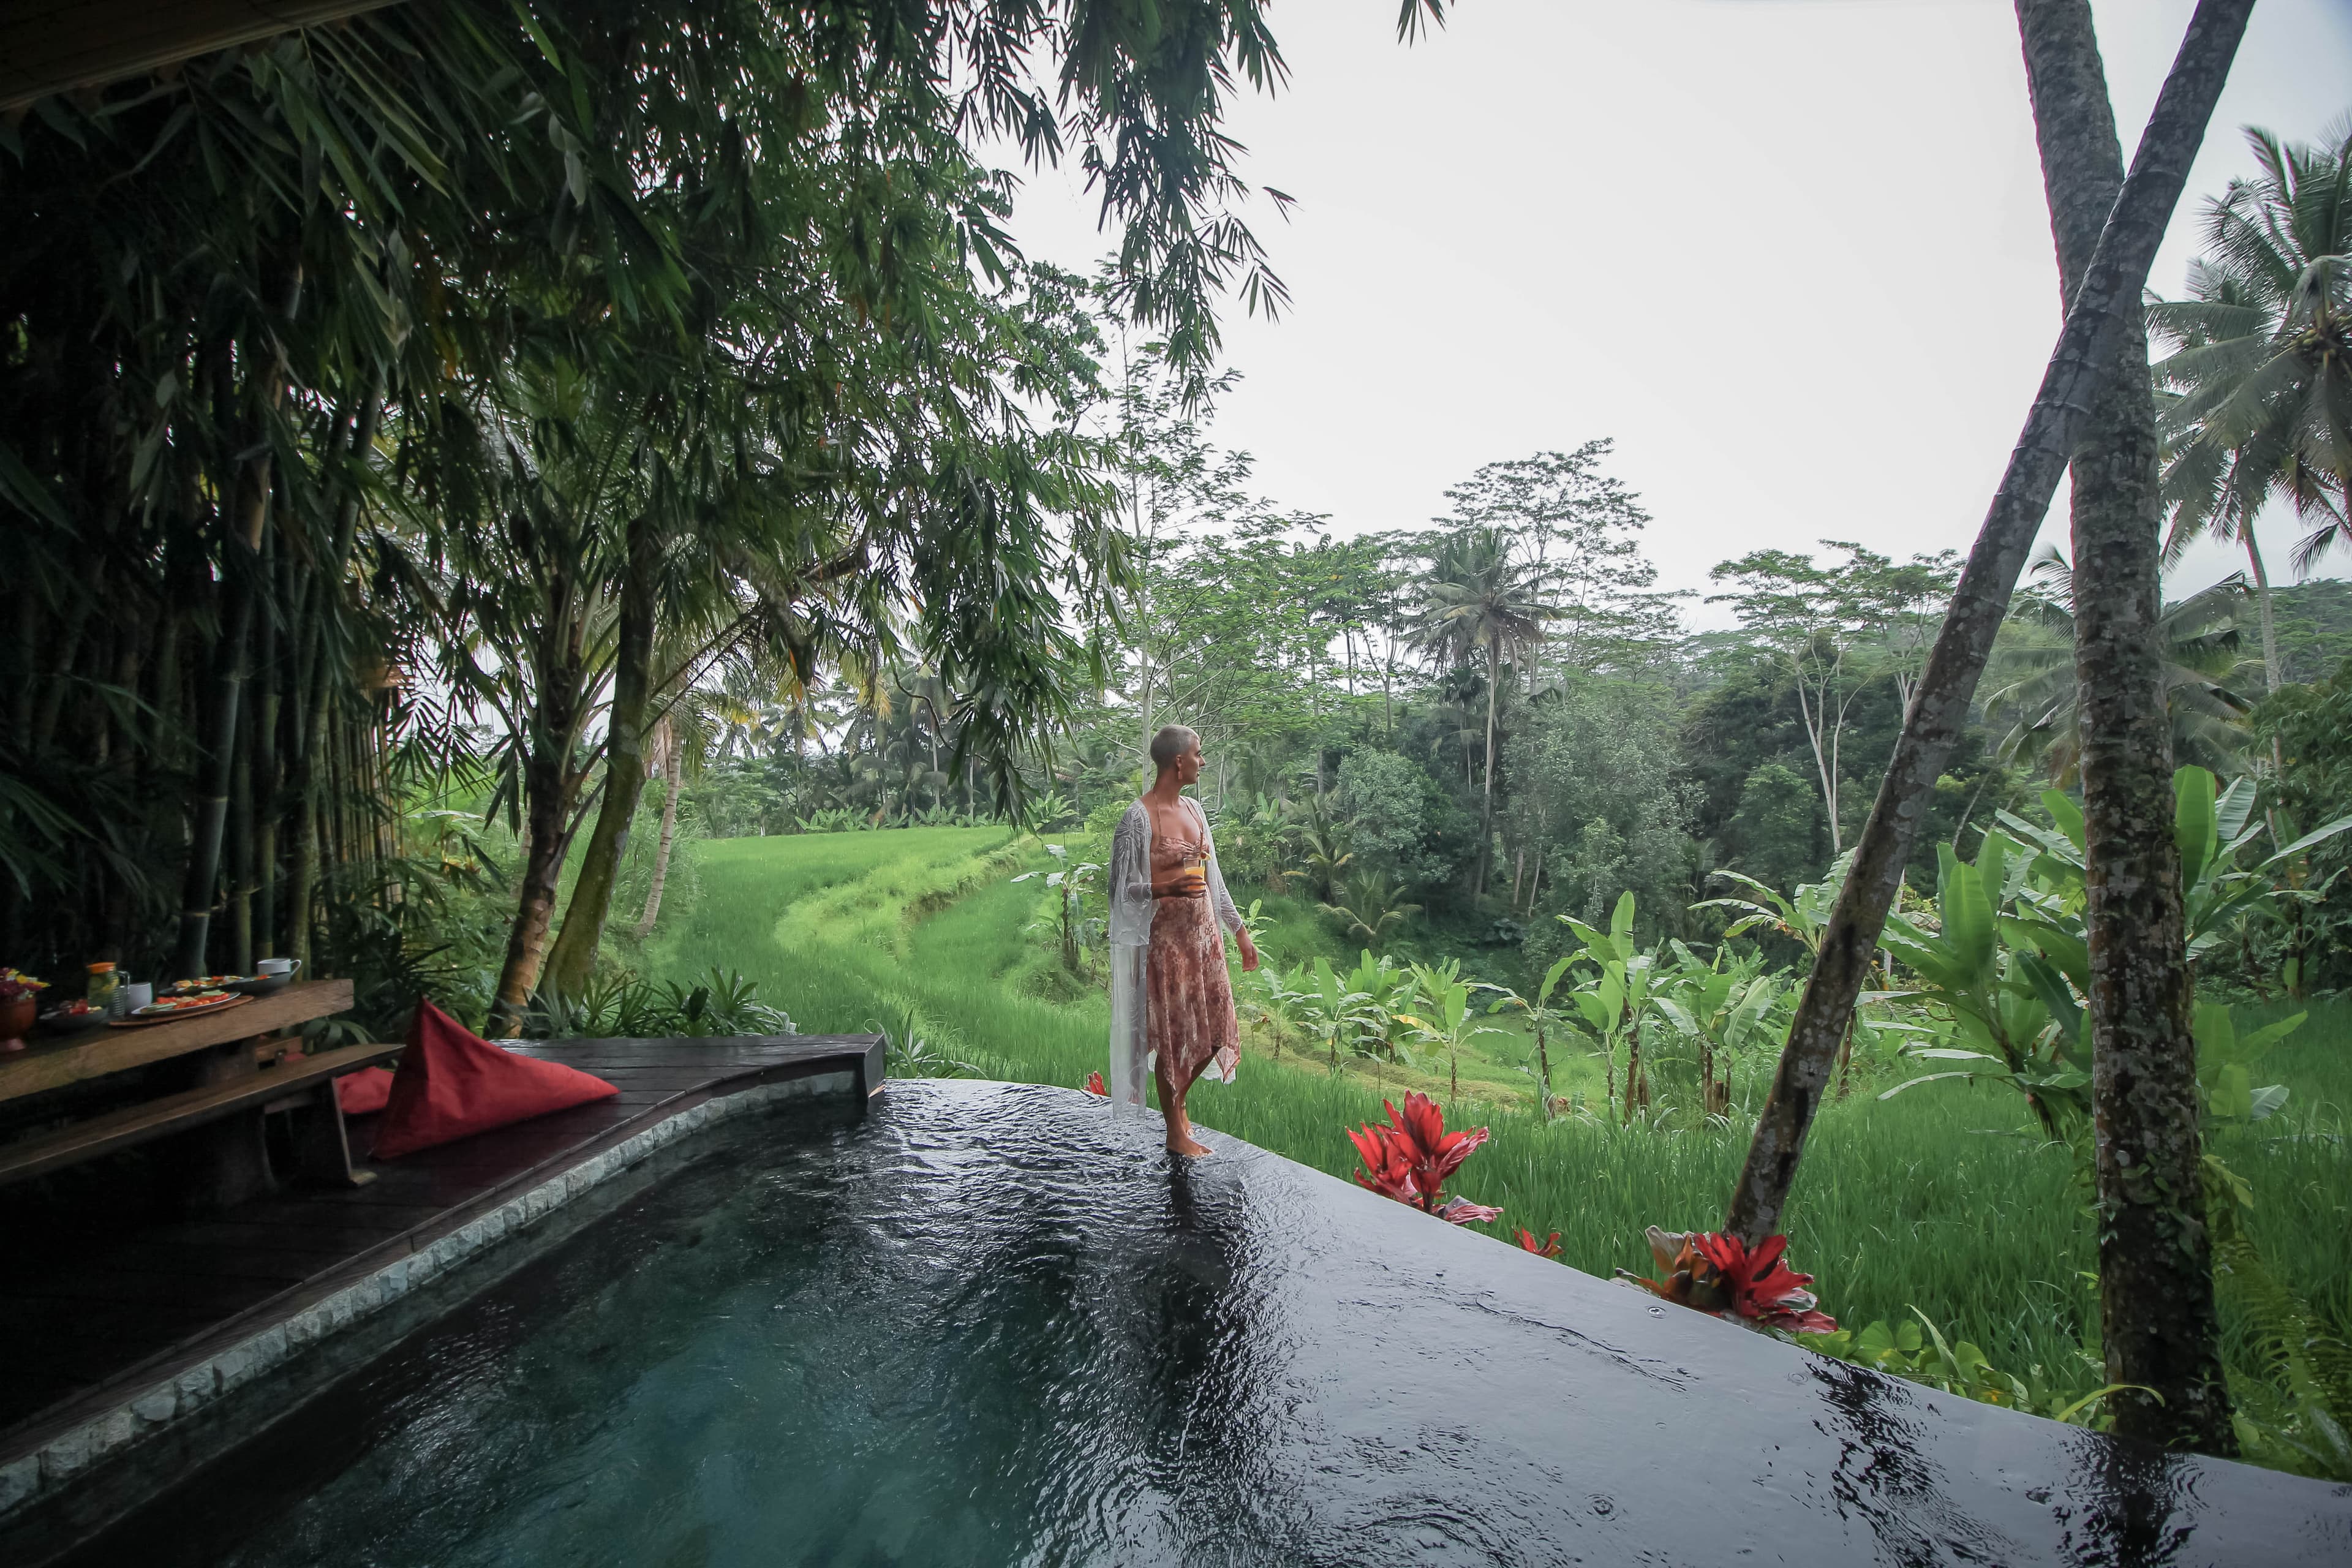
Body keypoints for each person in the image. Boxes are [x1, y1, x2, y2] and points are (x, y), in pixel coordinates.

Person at [1105, 724, 1260, 1156]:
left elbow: (1215, 880)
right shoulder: (1137, 818)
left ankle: (1180, 1105)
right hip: (1167, 949)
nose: (1202, 761)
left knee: (1216, 1035)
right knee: (1173, 1039)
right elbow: (1118, 889)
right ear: (1179, 761)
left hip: (1205, 944)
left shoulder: (1194, 810)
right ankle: (1175, 1131)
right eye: (1198, 754)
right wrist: (1164, 890)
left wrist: (1240, 933)